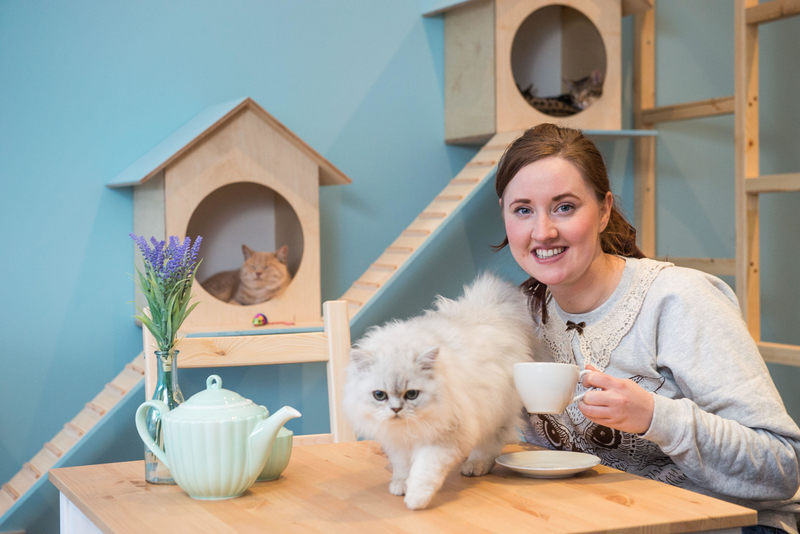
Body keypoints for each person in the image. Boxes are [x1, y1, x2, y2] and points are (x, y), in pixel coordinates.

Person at [495, 123, 800, 534]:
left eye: (565, 207)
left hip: (726, 525)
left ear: (603, 210)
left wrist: (656, 417)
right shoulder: (521, 316)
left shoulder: (678, 300)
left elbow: (782, 466)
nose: (543, 231)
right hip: (611, 520)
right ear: (505, 215)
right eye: (523, 209)